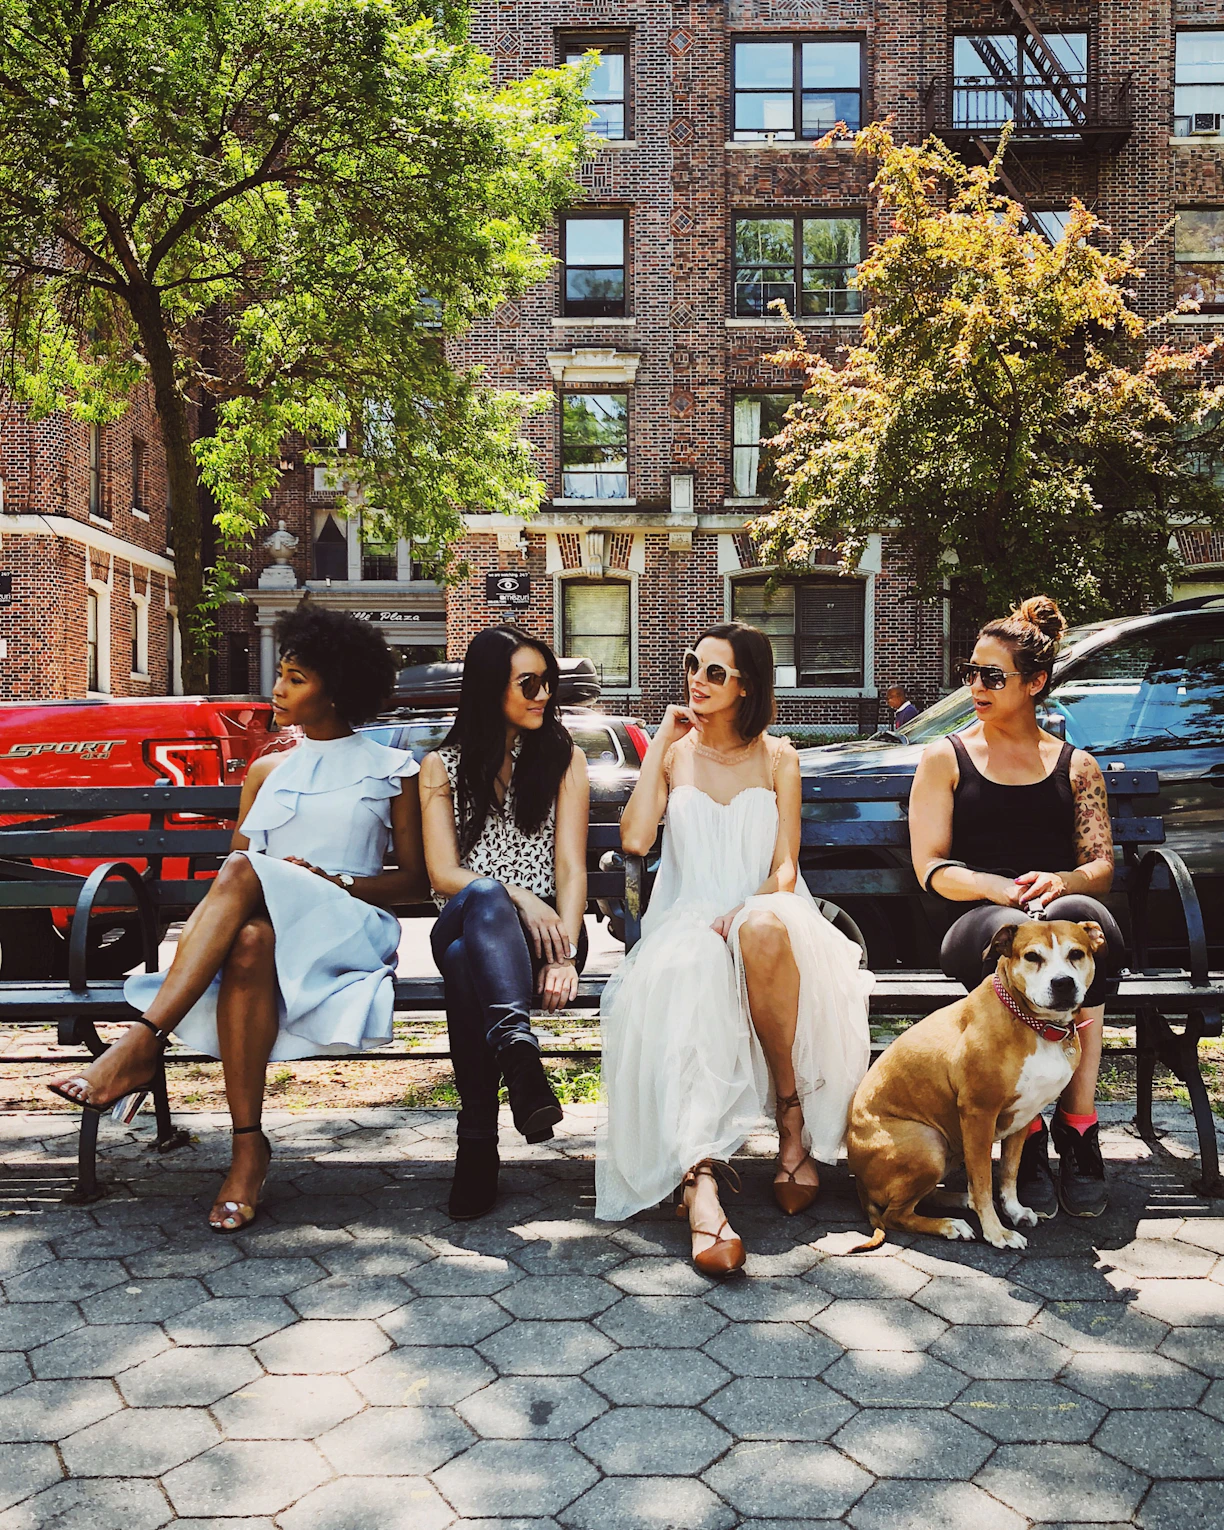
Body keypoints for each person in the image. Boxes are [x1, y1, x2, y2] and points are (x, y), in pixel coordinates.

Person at [48, 604, 426, 1231]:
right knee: (247, 937)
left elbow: (413, 881)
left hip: (347, 928)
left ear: (338, 688)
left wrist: (332, 880)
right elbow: (240, 884)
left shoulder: (392, 769)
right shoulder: (267, 769)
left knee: (244, 869)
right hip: (271, 930)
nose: (277, 688)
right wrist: (281, 881)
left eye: (297, 677)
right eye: (281, 672)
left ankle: (142, 1041)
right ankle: (248, 1148)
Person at [597, 623, 873, 1275]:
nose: (697, 678)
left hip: (765, 908)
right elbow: (635, 841)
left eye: (715, 672)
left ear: (747, 685)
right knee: (693, 965)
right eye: (694, 665)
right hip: (685, 920)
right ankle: (701, 1184)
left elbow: (785, 865)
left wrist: (748, 905)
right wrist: (664, 737)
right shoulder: (675, 753)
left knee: (760, 928)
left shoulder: (779, 757)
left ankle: (791, 1121)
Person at [909, 595, 1120, 1218]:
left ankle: (1078, 1128)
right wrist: (996, 887)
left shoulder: (1075, 765)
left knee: (1094, 926)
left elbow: (1101, 865)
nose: (976, 686)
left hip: (1057, 917)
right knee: (1014, 931)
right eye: (970, 673)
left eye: (992, 676)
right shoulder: (945, 758)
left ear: (1034, 683)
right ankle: (1021, 1134)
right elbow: (931, 868)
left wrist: (1063, 878)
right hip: (974, 917)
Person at [420, 625, 589, 1221]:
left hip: (547, 939)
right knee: (483, 902)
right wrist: (516, 894)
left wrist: (564, 951)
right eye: (528, 684)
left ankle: (478, 1143)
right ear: (491, 689)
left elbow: (570, 866)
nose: (543, 694)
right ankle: (517, 1050)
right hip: (470, 914)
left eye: (547, 683)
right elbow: (444, 875)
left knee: (470, 962)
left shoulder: (564, 759)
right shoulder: (442, 766)